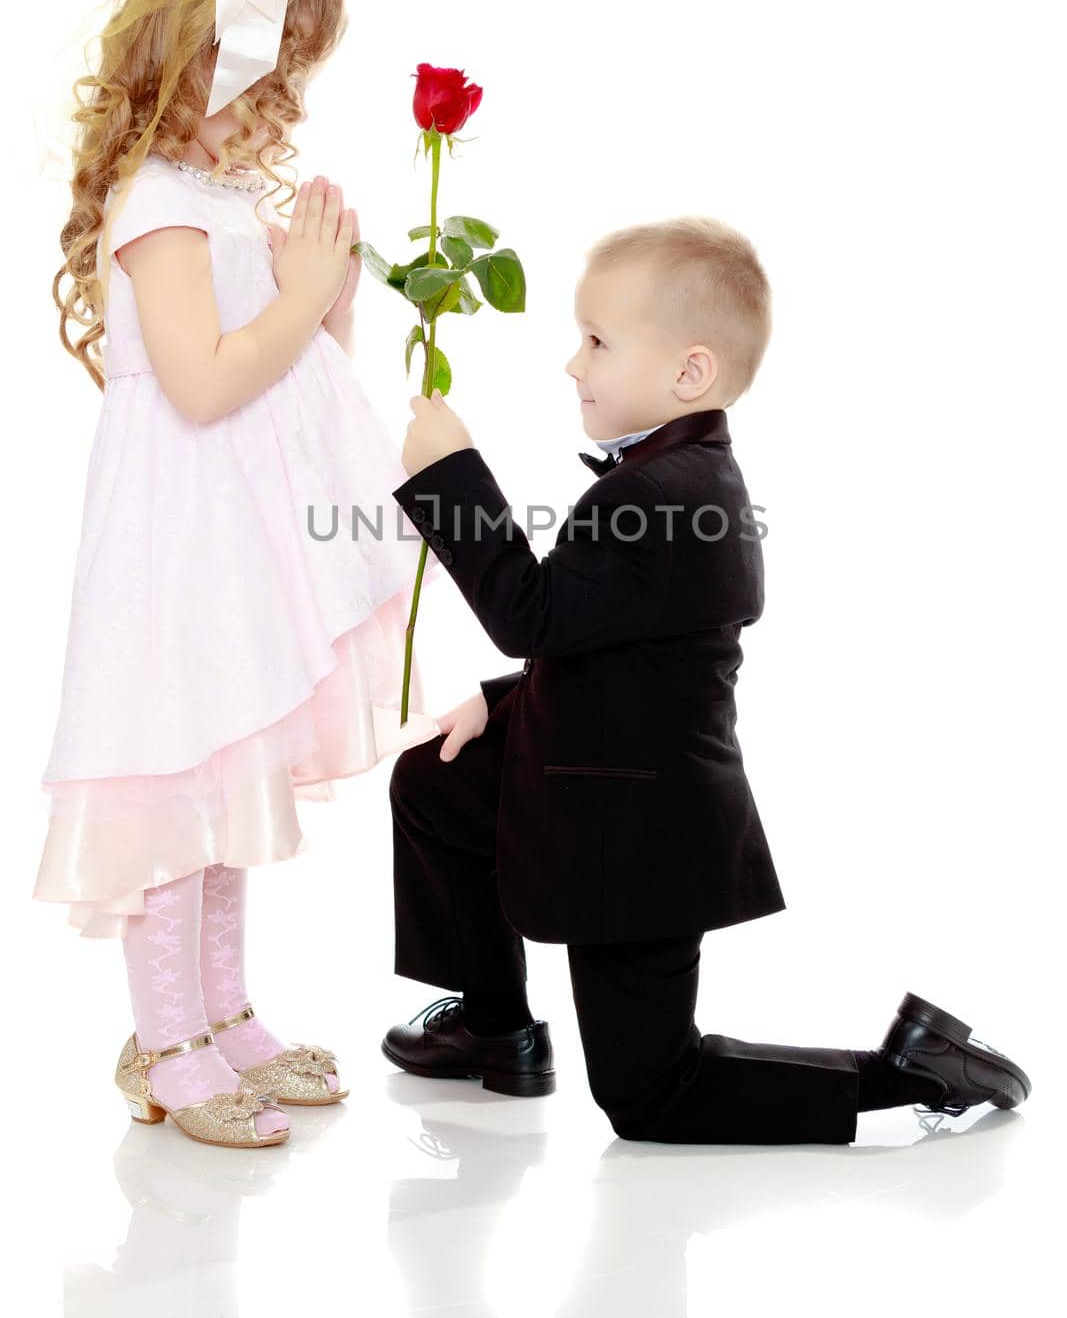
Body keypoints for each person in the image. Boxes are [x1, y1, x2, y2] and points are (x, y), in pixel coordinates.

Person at [379, 215, 1032, 1143]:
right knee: (439, 781)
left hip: (639, 823)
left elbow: (531, 613)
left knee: (649, 1094)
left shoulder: (664, 496)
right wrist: (496, 704)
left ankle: (906, 1071)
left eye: (597, 341)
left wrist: (449, 475)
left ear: (688, 373)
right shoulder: (668, 481)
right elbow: (612, 649)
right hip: (595, 764)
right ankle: (494, 1025)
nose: (573, 364)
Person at [32, 0, 443, 1148]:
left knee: (224, 768)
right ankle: (167, 1039)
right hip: (180, 540)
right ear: (194, 56)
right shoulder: (156, 207)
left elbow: (285, 370)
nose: (281, 103)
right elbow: (205, 381)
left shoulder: (213, 199)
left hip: (235, 535)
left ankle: (218, 1018)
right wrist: (293, 293)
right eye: (270, 73)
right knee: (178, 770)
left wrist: (326, 299)